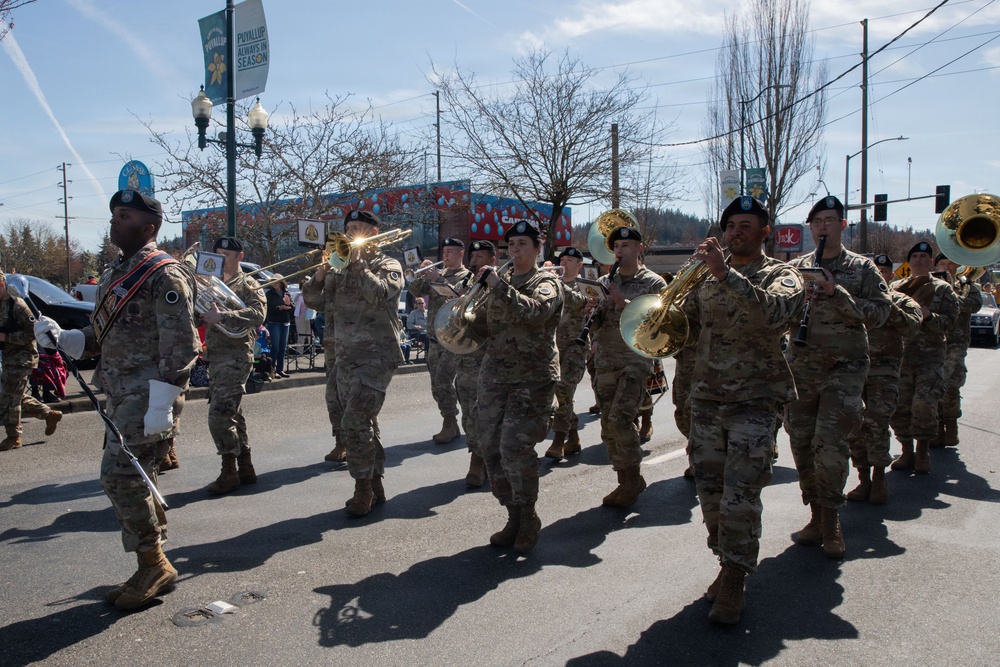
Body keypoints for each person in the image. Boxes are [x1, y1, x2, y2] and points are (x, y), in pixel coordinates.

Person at [33, 189, 199, 610]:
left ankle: (153, 563)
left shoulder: (165, 274)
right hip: (120, 390)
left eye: (124, 216)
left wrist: (163, 401)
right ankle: (153, 557)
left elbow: (182, 346)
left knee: (119, 477)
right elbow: (103, 336)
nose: (114, 221)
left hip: (148, 394)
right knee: (140, 477)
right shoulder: (114, 274)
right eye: (114, 215)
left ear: (148, 227)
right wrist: (68, 339)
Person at [682, 196, 804, 625]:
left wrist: (724, 274)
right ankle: (726, 558)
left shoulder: (782, 275)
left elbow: (775, 314)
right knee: (710, 494)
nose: (736, 232)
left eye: (746, 225)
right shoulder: (704, 278)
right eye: (731, 224)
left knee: (741, 494)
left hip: (755, 399)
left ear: (764, 232)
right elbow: (684, 328)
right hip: (707, 399)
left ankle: (735, 576)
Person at [785, 195, 892, 559]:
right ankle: (815, 515)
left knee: (830, 444)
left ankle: (831, 521)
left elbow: (880, 313)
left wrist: (836, 292)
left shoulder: (862, 268)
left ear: (842, 225)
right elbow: (778, 315)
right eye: (817, 222)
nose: (823, 227)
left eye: (830, 220)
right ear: (811, 227)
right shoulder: (796, 267)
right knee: (801, 444)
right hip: (801, 369)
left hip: (844, 369)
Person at [301, 209, 404, 516]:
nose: (350, 234)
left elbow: (382, 294)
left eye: (358, 229)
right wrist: (320, 274)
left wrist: (357, 263)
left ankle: (363, 490)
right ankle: (375, 483)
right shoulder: (337, 266)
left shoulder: (387, 264)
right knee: (362, 423)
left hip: (376, 354)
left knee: (355, 421)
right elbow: (313, 301)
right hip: (344, 355)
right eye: (348, 228)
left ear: (373, 233)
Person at [475, 220, 562, 553]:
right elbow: (482, 325)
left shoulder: (547, 282)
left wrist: (497, 287)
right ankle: (512, 512)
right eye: (510, 246)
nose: (515, 251)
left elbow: (536, 313)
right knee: (491, 448)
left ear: (537, 249)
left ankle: (528, 516)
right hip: (494, 375)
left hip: (532, 378)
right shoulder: (501, 281)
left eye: (523, 244)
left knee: (515, 448)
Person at [589, 224, 667, 507]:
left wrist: (623, 301)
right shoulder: (605, 281)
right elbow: (597, 324)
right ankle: (626, 478)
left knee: (621, 419)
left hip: (634, 360)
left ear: (639, 248)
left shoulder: (654, 282)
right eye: (616, 248)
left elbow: (656, 321)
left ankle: (631, 480)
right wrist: (592, 309)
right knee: (608, 425)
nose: (619, 252)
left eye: (625, 247)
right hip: (606, 360)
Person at [846, 254, 922, 504]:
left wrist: (889, 309)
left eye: (884, 271)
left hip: (884, 371)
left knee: (877, 422)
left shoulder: (902, 300)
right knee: (854, 425)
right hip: (853, 368)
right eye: (875, 270)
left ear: (891, 275)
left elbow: (912, 327)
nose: (880, 273)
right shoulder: (855, 300)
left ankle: (879, 476)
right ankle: (863, 477)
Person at [199, 236, 267, 495]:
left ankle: (229, 470)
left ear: (240, 256)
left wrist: (223, 315)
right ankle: (246, 466)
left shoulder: (249, 283)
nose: (222, 258)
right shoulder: (211, 283)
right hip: (215, 355)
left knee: (219, 414)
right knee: (233, 412)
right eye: (218, 254)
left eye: (227, 254)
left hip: (237, 355)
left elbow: (259, 314)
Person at [889, 241, 959, 474]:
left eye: (923, 256)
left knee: (924, 404)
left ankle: (923, 450)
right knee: (900, 406)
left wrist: (930, 317)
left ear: (931, 261)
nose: (919, 260)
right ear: (909, 261)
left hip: (930, 357)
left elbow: (951, 322)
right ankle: (906, 450)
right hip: (902, 356)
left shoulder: (943, 289)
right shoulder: (896, 287)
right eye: (915, 256)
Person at [408, 238, 471, 444]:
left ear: (461, 253)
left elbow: (460, 298)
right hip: (434, 338)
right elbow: (415, 290)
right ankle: (449, 421)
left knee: (444, 380)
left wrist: (440, 280)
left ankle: (452, 421)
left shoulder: (467, 276)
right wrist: (422, 271)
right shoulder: (438, 273)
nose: (446, 255)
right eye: (444, 251)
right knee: (436, 383)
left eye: (451, 251)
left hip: (453, 339)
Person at [0, 270, 63, 452]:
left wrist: (6, 337)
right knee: (14, 395)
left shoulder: (18, 305)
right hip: (9, 357)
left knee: (9, 399)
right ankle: (48, 414)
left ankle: (14, 437)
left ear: (2, 284)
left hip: (23, 358)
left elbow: (32, 333)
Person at [454, 240, 498, 487]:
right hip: (466, 359)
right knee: (468, 414)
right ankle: (477, 453)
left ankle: (480, 461)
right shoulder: (468, 282)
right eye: (473, 257)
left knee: (483, 415)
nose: (474, 261)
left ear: (493, 259)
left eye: (480, 257)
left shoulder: (500, 284)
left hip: (488, 360)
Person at [544, 246, 593, 460]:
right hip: (553, 347)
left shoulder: (587, 287)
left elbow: (587, 309)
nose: (564, 263)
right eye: (561, 259)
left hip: (575, 346)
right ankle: (573, 436)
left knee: (564, 391)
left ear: (580, 265)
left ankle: (558, 439)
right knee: (559, 394)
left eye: (569, 260)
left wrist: (557, 283)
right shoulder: (549, 284)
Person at [933, 253, 981, 448]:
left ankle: (951, 424)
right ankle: (936, 428)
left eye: (951, 264)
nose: (947, 267)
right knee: (932, 385)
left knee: (951, 383)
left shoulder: (966, 284)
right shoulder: (929, 284)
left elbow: (975, 304)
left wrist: (952, 296)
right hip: (932, 343)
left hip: (956, 342)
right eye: (942, 264)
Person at [264, 274, 293, 378]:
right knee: (275, 347)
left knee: (282, 347)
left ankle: (280, 369)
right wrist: (279, 308)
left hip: (285, 322)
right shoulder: (269, 294)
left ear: (281, 283)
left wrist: (289, 305)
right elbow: (268, 310)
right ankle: (272, 370)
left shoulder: (286, 293)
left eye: (276, 282)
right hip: (274, 322)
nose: (274, 284)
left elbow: (292, 309)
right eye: (273, 282)